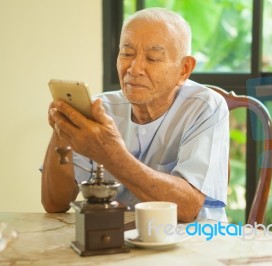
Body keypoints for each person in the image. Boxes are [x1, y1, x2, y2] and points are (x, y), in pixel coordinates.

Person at [41, 7, 229, 223]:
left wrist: (111, 154)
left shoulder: (205, 107)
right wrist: (61, 134)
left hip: (195, 242)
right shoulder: (101, 108)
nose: (134, 68)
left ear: (184, 69)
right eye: (126, 54)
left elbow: (187, 209)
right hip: (118, 241)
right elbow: (55, 204)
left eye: (153, 58)